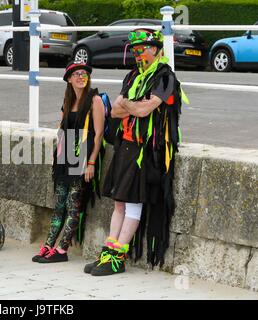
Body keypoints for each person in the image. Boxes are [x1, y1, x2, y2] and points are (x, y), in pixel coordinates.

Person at [85, 29, 186, 276]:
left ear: (155, 49)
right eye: (135, 51)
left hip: (147, 150)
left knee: (132, 202)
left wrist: (130, 106)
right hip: (126, 145)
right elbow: (116, 112)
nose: (137, 55)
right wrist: (134, 106)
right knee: (119, 201)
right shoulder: (132, 76)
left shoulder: (165, 77)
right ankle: (108, 253)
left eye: (141, 50)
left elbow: (143, 110)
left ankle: (118, 257)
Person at [32, 62, 105, 263]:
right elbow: (62, 128)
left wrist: (91, 163)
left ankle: (62, 250)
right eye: (77, 74)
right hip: (65, 155)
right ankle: (48, 245)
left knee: (73, 205)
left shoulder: (95, 100)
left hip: (82, 154)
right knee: (59, 204)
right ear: (69, 79)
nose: (81, 77)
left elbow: (98, 134)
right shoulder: (68, 100)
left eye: (85, 74)